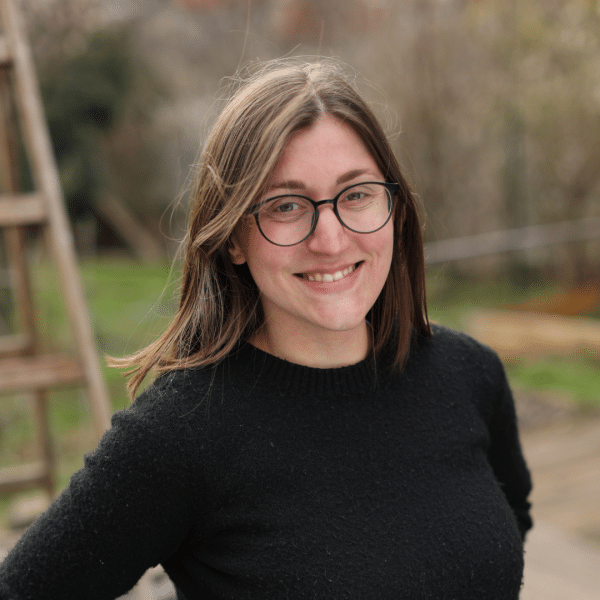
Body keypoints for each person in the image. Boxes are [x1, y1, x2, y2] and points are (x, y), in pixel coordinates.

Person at [0, 58, 532, 600]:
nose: (329, 238)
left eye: (357, 194)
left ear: (394, 208)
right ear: (232, 237)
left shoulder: (470, 375)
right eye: (285, 205)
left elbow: (511, 525)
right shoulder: (179, 436)